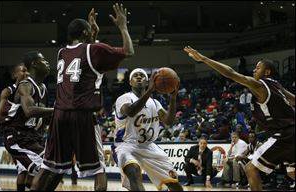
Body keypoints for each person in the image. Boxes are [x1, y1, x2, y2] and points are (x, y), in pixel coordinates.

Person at [30, 3, 134, 191]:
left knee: (47, 167)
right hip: (82, 115)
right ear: (86, 33)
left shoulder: (62, 52)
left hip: (59, 115)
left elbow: (86, 55)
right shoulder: (94, 50)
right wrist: (123, 27)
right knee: (99, 169)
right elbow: (128, 51)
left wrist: (91, 34)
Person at [184, 46, 295, 191]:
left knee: (250, 168)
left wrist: (204, 59)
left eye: (258, 67)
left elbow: (231, 73)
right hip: (290, 133)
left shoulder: (260, 85)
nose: (254, 70)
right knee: (293, 173)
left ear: (267, 72)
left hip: (285, 134)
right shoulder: (278, 86)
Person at [113, 68, 183, 191]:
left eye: (142, 76)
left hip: (149, 146)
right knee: (134, 172)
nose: (139, 77)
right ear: (130, 82)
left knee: (175, 186)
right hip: (126, 146)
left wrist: (173, 98)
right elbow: (131, 111)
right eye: (135, 76)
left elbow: (168, 121)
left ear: (147, 82)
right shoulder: (123, 99)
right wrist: (150, 90)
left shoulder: (155, 103)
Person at [0, 51, 52, 191]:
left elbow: (42, 115)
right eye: (43, 60)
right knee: (46, 170)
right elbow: (29, 110)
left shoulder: (44, 88)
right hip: (17, 136)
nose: (47, 63)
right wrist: (58, 109)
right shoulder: (20, 87)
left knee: (45, 172)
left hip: (33, 136)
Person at [0, 63, 29, 191]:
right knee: (24, 170)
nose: (26, 73)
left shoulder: (30, 89)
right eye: (23, 71)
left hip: (28, 133)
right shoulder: (8, 91)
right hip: (14, 134)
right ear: (15, 74)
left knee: (26, 171)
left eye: (27, 71)